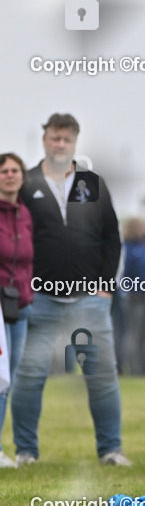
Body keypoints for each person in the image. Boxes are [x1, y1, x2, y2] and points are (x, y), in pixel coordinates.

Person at [10, 113, 130, 466]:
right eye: (54, 138)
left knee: (101, 377)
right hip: (40, 298)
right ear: (44, 139)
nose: (59, 144)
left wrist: (106, 284)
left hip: (89, 300)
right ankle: (26, 451)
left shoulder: (91, 183)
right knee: (29, 376)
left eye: (66, 139)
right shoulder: (27, 182)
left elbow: (111, 235)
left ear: (75, 142)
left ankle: (111, 449)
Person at [0, 153, 33, 468]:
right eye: (4, 170)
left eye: (15, 170)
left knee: (13, 380)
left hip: (21, 304)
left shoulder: (26, 213)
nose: (10, 175)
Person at [116, 218, 145, 376]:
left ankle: (142, 367)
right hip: (134, 297)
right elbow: (124, 274)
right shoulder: (128, 249)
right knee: (133, 334)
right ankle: (131, 367)